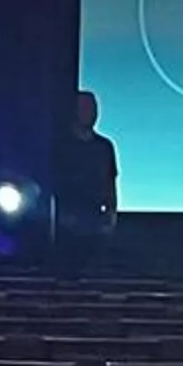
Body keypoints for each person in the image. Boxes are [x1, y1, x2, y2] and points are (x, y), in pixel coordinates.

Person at [51, 90, 118, 270]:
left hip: (95, 221)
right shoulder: (61, 146)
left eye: (93, 109)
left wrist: (111, 213)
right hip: (66, 222)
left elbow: (110, 181)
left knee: (96, 270)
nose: (90, 113)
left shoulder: (104, 147)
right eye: (85, 108)